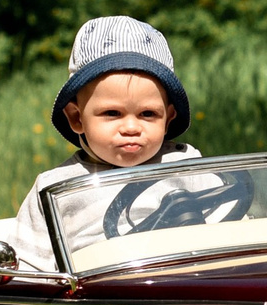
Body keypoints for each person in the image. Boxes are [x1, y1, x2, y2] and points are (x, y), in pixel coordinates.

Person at [10, 16, 201, 272]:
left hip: (185, 290)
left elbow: (235, 230)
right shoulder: (55, 188)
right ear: (77, 118)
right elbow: (29, 271)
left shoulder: (188, 167)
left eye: (148, 114)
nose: (131, 128)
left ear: (167, 120)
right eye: (112, 113)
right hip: (99, 302)